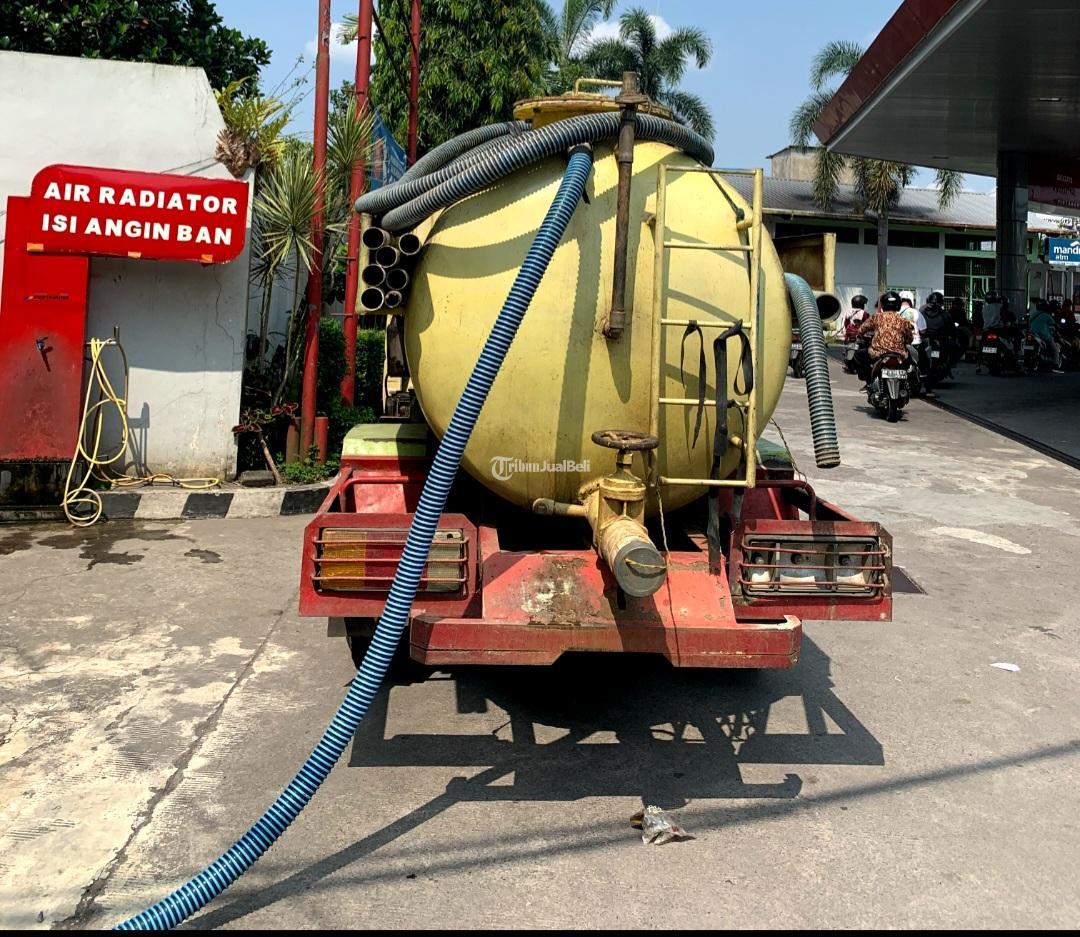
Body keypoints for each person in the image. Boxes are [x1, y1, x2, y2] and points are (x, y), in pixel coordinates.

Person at [854, 290, 916, 385]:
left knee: (858, 355)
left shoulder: (876, 317)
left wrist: (860, 336)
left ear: (883, 305)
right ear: (898, 305)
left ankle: (868, 382)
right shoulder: (903, 320)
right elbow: (909, 339)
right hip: (899, 354)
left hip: (878, 352)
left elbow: (861, 330)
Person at [1029, 298, 1063, 371]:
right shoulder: (1046, 316)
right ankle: (1055, 364)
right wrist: (1059, 327)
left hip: (1033, 334)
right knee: (1055, 349)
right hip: (1043, 335)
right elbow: (1055, 324)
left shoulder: (1033, 314)